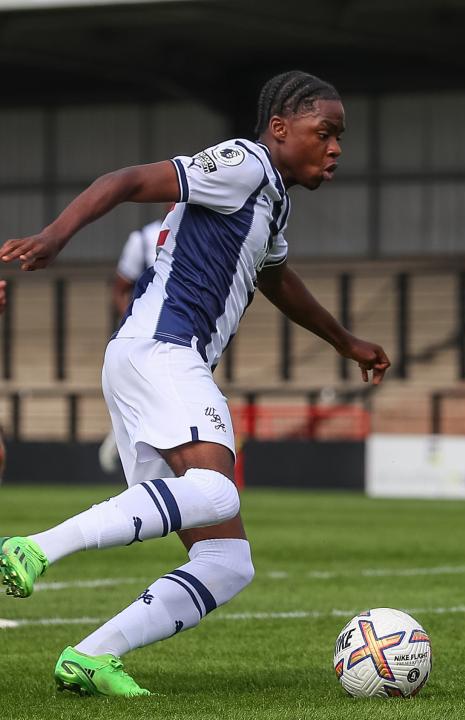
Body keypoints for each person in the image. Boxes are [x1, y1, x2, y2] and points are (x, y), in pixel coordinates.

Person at [0, 70, 391, 696]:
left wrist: (345, 341)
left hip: (152, 360)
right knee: (215, 492)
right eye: (326, 132)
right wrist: (55, 236)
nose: (336, 147)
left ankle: (92, 656)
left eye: (340, 136)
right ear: (281, 128)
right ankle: (33, 548)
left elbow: (276, 278)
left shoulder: (273, 198)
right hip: (163, 350)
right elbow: (127, 180)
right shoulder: (244, 162)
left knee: (227, 562)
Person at [99, 217, 165, 474]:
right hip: (149, 341)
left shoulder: (213, 226)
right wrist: (135, 321)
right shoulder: (145, 237)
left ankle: (122, 437)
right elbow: (120, 287)